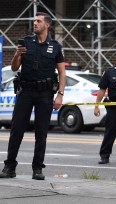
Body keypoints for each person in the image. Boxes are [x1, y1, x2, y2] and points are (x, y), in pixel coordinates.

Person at [0, 12, 66, 180]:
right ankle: (9, 167)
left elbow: (62, 73)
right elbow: (15, 68)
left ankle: (37, 168)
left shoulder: (55, 46)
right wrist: (17, 54)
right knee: (16, 130)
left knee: (41, 132)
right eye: (34, 21)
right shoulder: (26, 42)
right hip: (26, 92)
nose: (35, 23)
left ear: (47, 25)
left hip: (45, 93)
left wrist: (60, 95)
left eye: (38, 21)